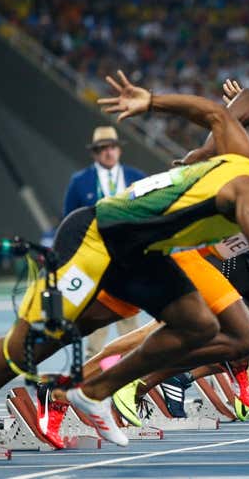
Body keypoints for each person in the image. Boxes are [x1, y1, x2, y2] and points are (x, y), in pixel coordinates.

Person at [0, 71, 249, 447]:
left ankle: (96, 390)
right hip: (95, 237)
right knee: (25, 347)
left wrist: (151, 101)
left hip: (143, 254)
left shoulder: (243, 156)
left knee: (205, 326)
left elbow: (214, 113)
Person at [63, 126, 146, 359]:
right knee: (96, 313)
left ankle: (131, 365)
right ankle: (92, 370)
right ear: (94, 153)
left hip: (129, 254)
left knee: (129, 312)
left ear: (119, 149)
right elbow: (69, 220)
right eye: (102, 149)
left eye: (112, 147)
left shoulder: (136, 177)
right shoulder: (79, 182)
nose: (108, 153)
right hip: (94, 255)